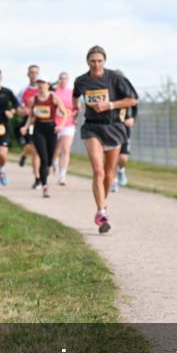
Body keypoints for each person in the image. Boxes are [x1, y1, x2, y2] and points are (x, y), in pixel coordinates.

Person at [73, 46, 137, 232]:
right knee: (98, 171)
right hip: (92, 127)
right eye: (93, 61)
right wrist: (76, 109)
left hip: (113, 127)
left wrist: (109, 104)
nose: (96, 64)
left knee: (109, 174)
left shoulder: (115, 78)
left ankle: (102, 203)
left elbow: (132, 100)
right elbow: (75, 95)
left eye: (99, 60)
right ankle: (101, 211)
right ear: (87, 62)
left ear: (105, 61)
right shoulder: (81, 80)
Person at [20, 76, 69, 198]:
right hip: (38, 129)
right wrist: (26, 127)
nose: (41, 85)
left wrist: (61, 125)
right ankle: (45, 187)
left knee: (49, 160)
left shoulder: (54, 97)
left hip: (51, 129)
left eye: (43, 83)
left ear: (48, 84)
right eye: (39, 83)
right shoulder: (33, 100)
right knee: (43, 158)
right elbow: (31, 116)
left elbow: (65, 113)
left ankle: (44, 176)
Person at [109, 69, 139, 193]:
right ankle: (113, 181)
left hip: (124, 127)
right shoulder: (108, 93)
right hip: (110, 127)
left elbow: (135, 105)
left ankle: (121, 170)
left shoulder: (127, 93)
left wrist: (132, 118)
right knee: (112, 156)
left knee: (123, 158)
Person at [16, 64, 41, 184]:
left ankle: (37, 176)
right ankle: (37, 177)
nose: (34, 75)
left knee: (37, 151)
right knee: (32, 148)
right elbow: (17, 109)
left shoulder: (43, 90)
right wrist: (23, 111)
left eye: (36, 72)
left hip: (42, 123)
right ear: (28, 74)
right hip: (28, 122)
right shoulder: (23, 91)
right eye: (32, 72)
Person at [53, 72, 76, 185]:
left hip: (68, 123)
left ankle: (62, 175)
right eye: (61, 79)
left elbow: (76, 107)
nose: (63, 81)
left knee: (66, 149)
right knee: (55, 149)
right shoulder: (54, 92)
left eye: (65, 79)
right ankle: (54, 161)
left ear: (68, 80)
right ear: (58, 80)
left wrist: (75, 113)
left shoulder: (71, 92)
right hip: (55, 123)